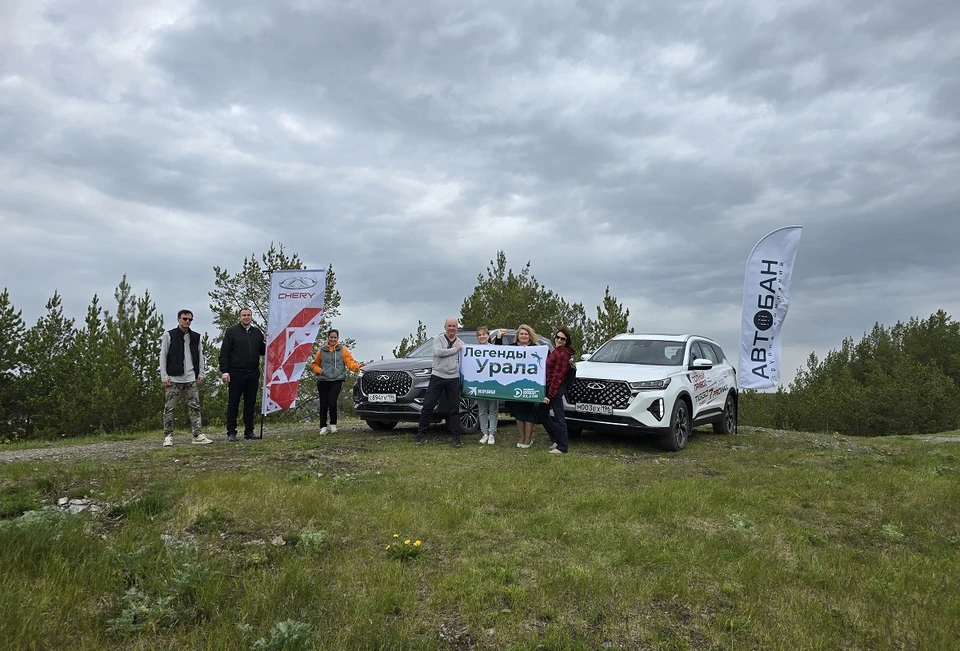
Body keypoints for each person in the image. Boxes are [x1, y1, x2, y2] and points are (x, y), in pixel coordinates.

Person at [159, 309, 213, 446]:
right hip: (174, 379)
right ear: (178, 319)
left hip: (191, 378)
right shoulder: (169, 335)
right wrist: (164, 376)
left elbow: (201, 356)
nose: (187, 321)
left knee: (195, 407)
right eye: (185, 318)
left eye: (190, 319)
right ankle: (168, 436)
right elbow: (163, 356)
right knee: (169, 408)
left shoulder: (196, 337)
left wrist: (201, 373)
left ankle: (197, 435)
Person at [218, 308, 266, 441]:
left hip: (253, 373)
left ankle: (249, 431)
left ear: (252, 317)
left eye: (249, 315)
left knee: (250, 403)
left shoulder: (257, 332)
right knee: (234, 402)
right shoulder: (231, 332)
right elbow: (224, 353)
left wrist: (268, 341)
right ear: (240, 317)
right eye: (244, 315)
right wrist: (225, 371)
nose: (246, 317)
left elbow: (262, 351)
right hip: (236, 372)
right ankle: (231, 432)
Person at [416, 317, 464, 448]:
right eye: (449, 326)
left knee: (454, 409)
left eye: (454, 326)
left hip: (453, 378)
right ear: (445, 327)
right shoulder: (438, 339)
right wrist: (455, 349)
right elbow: (438, 352)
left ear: (457, 328)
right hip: (437, 376)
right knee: (428, 406)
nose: (451, 328)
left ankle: (456, 437)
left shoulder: (461, 342)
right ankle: (422, 435)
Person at [310, 329, 364, 434]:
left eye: (335, 337)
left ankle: (333, 424)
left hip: (337, 379)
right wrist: (319, 371)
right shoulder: (321, 350)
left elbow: (350, 363)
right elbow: (315, 364)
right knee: (323, 404)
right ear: (328, 338)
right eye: (331, 337)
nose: (333, 339)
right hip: (323, 380)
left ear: (337, 338)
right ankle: (323, 426)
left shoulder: (343, 350)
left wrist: (358, 367)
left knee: (332, 402)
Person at [540, 326, 576, 454]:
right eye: (557, 337)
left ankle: (562, 446)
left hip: (555, 388)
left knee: (559, 417)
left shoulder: (561, 354)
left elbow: (558, 376)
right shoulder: (557, 351)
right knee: (541, 412)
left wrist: (550, 395)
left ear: (566, 341)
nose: (559, 340)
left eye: (562, 338)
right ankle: (556, 439)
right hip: (551, 387)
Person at [508, 324, 541, 449]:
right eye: (521, 334)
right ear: (517, 336)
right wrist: (499, 337)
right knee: (518, 411)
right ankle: (521, 437)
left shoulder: (537, 348)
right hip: (514, 385)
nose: (523, 336)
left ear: (530, 336)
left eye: (526, 334)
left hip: (530, 385)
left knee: (529, 412)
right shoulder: (511, 348)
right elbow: (497, 352)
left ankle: (528, 439)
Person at [476, 326, 507, 445]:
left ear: (488, 336)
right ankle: (484, 433)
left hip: (493, 383)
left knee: (493, 410)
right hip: (480, 384)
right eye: (479, 335)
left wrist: (499, 336)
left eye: (484, 334)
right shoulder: (473, 350)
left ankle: (492, 433)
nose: (482, 336)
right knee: (482, 410)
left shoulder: (493, 348)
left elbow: (499, 351)